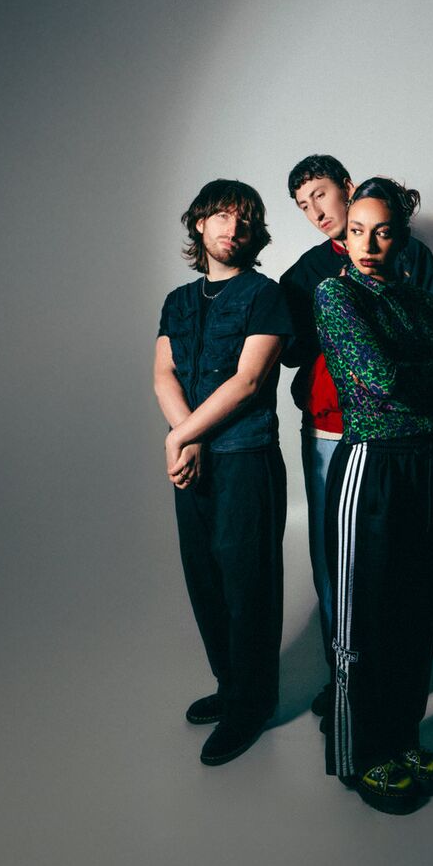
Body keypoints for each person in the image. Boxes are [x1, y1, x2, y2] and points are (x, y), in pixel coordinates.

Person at [313, 177, 433, 814]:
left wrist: (425, 373)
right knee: (364, 618)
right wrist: (429, 371)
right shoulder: (336, 294)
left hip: (428, 463)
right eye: (357, 231)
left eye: (382, 232)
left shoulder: (414, 297)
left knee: (414, 612)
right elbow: (381, 380)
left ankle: (402, 738)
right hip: (372, 466)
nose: (368, 244)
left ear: (402, 239)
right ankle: (359, 753)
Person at [280, 155, 433, 717]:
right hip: (329, 428)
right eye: (303, 205)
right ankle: (342, 678)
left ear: (346, 188)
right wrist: (347, 340)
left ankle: (388, 687)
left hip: (404, 438)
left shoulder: (412, 256)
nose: (315, 211)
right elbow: (293, 352)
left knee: (399, 564)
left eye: (321, 195)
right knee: (335, 561)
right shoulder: (308, 275)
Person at [153, 179, 293, 766]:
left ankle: (252, 703)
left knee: (247, 584)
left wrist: (180, 436)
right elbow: (164, 372)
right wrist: (185, 437)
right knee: (205, 579)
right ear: (199, 223)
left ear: (254, 231)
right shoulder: (178, 300)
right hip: (193, 460)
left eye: (243, 220)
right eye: (220, 217)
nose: (232, 228)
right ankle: (231, 685)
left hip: (246, 458)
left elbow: (250, 381)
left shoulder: (266, 295)